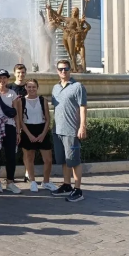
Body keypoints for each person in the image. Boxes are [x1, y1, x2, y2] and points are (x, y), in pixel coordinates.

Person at [50, 60, 87, 202]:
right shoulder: (55, 88)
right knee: (64, 160)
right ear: (57, 71)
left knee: (74, 161)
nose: (63, 71)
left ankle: (78, 190)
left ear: (70, 70)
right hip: (58, 130)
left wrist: (82, 126)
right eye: (60, 69)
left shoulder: (78, 87)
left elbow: (83, 107)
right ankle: (67, 185)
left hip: (71, 130)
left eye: (66, 69)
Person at [18, 79, 57, 192]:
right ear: (26, 88)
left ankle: (46, 181)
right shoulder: (21, 101)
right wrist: (29, 134)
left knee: (48, 159)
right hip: (28, 130)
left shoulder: (42, 100)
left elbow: (48, 119)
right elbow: (20, 120)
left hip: (41, 129)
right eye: (29, 87)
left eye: (34, 87)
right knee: (29, 158)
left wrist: (43, 134)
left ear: (37, 87)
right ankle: (33, 181)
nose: (31, 89)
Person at [0, 69, 22, 194]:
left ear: (8, 79)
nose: (2, 80)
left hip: (9, 126)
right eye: (0, 78)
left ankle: (10, 182)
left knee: (11, 156)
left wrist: (18, 131)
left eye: (4, 78)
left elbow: (15, 113)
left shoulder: (12, 93)